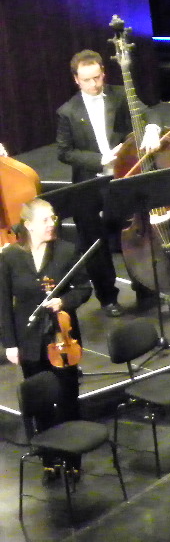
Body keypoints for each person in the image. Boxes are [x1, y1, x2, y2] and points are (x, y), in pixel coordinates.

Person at [55, 48, 161, 315]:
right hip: (91, 183)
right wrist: (101, 159)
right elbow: (64, 152)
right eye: (87, 80)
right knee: (96, 245)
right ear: (76, 80)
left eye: (97, 77)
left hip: (123, 177)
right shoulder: (67, 111)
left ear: (103, 73)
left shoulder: (119, 95)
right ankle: (108, 298)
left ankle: (145, 289)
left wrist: (152, 129)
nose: (94, 84)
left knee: (134, 236)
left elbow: (149, 113)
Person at [0, 199, 92, 470]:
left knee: (67, 398)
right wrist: (9, 343)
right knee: (40, 401)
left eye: (53, 218)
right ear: (28, 225)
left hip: (62, 338)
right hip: (28, 338)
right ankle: (49, 458)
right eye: (45, 220)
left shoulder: (66, 251)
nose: (52, 224)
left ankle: (72, 458)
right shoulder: (10, 257)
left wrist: (63, 302)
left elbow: (84, 288)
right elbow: (3, 303)